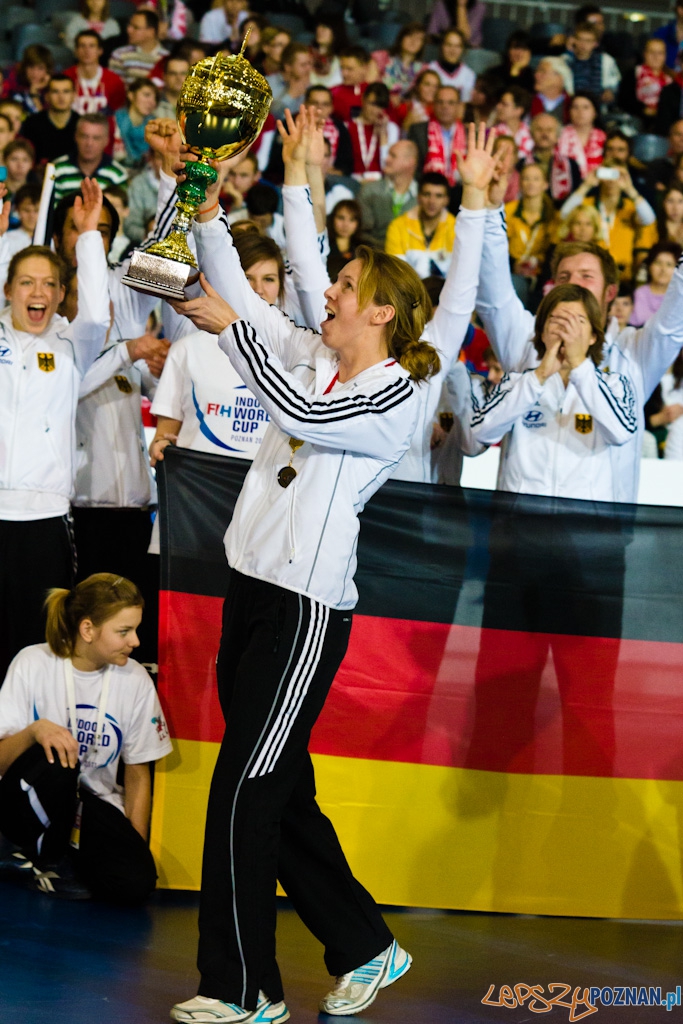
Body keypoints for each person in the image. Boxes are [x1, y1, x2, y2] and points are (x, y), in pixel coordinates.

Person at [163, 126, 441, 1024]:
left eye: (345, 288)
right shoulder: (317, 355)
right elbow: (246, 299)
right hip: (251, 589)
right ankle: (364, 944)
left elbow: (292, 409)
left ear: (381, 314)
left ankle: (244, 990)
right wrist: (209, 215)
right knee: (279, 791)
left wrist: (233, 332)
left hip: (305, 612)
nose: (327, 292)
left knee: (244, 793)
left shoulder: (392, 393)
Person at [471, 165, 683, 503]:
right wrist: (492, 208)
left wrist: (582, 364)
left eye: (586, 276)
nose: (573, 285)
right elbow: (492, 295)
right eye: (564, 277)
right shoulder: (526, 340)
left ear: (610, 292)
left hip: (598, 528)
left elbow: (673, 321)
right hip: (518, 522)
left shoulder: (634, 350)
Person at [0, 573, 172, 900]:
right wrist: (35, 731)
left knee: (136, 884)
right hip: (23, 799)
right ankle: (38, 855)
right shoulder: (33, 662)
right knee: (59, 759)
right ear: (88, 629)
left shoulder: (135, 679)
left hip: (87, 806)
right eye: (124, 631)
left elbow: (137, 773)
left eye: (136, 629)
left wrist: (133, 845)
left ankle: (54, 858)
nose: (136, 641)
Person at [0, 180, 110, 681]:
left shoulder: (72, 346)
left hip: (44, 520)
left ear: (62, 294)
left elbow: (98, 313)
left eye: (49, 284)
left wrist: (88, 237)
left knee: (38, 649)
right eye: (26, 282)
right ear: (8, 291)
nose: (38, 292)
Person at [470, 283, 637, 498]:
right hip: (521, 514)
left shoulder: (615, 384)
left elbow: (621, 433)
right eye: (557, 320)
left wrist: (580, 367)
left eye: (577, 321)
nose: (566, 330)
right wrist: (539, 376)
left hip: (584, 516)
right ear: (541, 332)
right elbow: (481, 432)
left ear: (594, 336)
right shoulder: (516, 382)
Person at [559, 161, 657, 280]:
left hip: (623, 276)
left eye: (617, 175)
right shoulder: (588, 204)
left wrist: (630, 188)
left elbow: (648, 219)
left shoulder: (630, 207)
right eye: (607, 174)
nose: (611, 181)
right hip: (593, 273)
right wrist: (586, 185)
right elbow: (565, 214)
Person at [385, 171, 455, 278]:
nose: (432, 201)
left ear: (446, 200)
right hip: (410, 288)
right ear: (418, 197)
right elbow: (396, 274)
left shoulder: (456, 228)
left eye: (439, 196)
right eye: (427, 194)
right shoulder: (397, 226)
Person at [506, 163, 556, 307]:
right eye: (526, 178)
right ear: (520, 183)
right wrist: (513, 265)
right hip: (512, 272)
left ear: (545, 184)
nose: (531, 183)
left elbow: (553, 251)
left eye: (536, 179)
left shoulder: (553, 215)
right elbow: (498, 245)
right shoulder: (508, 210)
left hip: (542, 276)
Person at [53, 113, 128, 201]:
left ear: (106, 141)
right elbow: (51, 208)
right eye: (84, 136)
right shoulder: (57, 169)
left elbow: (119, 209)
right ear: (76, 137)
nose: (89, 143)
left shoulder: (117, 174)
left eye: (96, 138)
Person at [358, 139, 419, 247]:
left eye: (393, 156)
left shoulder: (425, 196)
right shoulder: (369, 191)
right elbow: (362, 234)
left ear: (410, 162)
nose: (386, 159)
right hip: (376, 253)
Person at [618, 38, 680, 138]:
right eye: (652, 52)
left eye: (660, 53)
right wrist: (643, 109)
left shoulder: (672, 79)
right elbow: (624, 100)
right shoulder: (633, 73)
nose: (656, 57)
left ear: (665, 56)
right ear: (644, 54)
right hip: (635, 124)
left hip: (664, 129)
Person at [407, 85, 465, 188]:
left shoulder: (470, 134)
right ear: (433, 105)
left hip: (461, 190)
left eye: (451, 103)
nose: (445, 107)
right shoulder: (418, 131)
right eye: (440, 102)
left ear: (459, 107)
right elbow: (413, 167)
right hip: (427, 189)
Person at [523, 112, 582, 204]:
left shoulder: (571, 165)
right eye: (539, 129)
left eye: (549, 130)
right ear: (531, 134)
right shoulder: (521, 164)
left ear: (558, 135)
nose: (544, 134)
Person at [21, 75, 80, 166]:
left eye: (66, 91)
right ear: (47, 96)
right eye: (55, 92)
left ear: (74, 95)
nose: (61, 97)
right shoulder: (32, 123)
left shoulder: (82, 124)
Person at [348, 82, 399, 181]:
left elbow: (387, 167)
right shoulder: (348, 127)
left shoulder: (391, 129)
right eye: (372, 104)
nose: (375, 110)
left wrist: (383, 134)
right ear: (363, 99)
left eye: (380, 106)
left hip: (380, 181)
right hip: (353, 180)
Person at [564, 21, 620, 104]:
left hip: (597, 106)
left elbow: (614, 85)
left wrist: (609, 92)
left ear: (596, 43)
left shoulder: (606, 61)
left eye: (588, 41)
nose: (583, 44)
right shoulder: (565, 60)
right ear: (574, 40)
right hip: (570, 105)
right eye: (580, 39)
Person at [109, 10, 169, 87]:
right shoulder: (119, 54)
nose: (129, 30)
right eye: (129, 26)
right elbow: (114, 87)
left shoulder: (167, 58)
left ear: (151, 32)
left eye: (135, 27)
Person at [306, 85, 353, 177]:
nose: (319, 108)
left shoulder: (340, 128)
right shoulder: (292, 125)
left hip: (330, 177)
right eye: (314, 103)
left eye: (325, 104)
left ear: (331, 108)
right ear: (305, 104)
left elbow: (346, 166)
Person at [556, 91, 605, 179]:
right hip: (565, 183)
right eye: (575, 107)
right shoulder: (558, 136)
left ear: (595, 112)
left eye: (585, 107)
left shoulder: (604, 138)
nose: (580, 112)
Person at [630, 242, 681, 325]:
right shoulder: (637, 295)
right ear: (650, 266)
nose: (663, 269)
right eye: (658, 263)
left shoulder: (679, 297)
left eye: (669, 265)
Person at [113, 78, 159, 169]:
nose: (152, 102)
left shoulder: (155, 125)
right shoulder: (114, 121)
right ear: (131, 95)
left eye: (155, 98)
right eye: (146, 95)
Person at [425, 29, 476, 103]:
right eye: (449, 45)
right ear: (442, 46)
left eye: (457, 46)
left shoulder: (469, 74)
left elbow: (464, 103)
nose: (453, 50)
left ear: (462, 49)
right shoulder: (429, 69)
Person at [268, 43, 314, 122]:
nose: (308, 68)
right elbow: (268, 116)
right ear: (288, 67)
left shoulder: (309, 87)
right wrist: (290, 95)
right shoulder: (268, 83)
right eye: (303, 65)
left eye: (309, 63)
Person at [490, 86, 533, 161]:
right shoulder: (492, 132)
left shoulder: (531, 133)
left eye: (504, 104)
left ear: (518, 110)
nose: (498, 106)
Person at [531, 57, 573, 122]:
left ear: (559, 78)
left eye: (543, 71)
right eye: (537, 71)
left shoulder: (572, 104)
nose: (536, 75)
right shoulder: (526, 102)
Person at [155, 55, 189, 121]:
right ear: (164, 76)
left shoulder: (199, 105)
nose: (178, 78)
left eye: (183, 73)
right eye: (173, 73)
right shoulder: (153, 102)